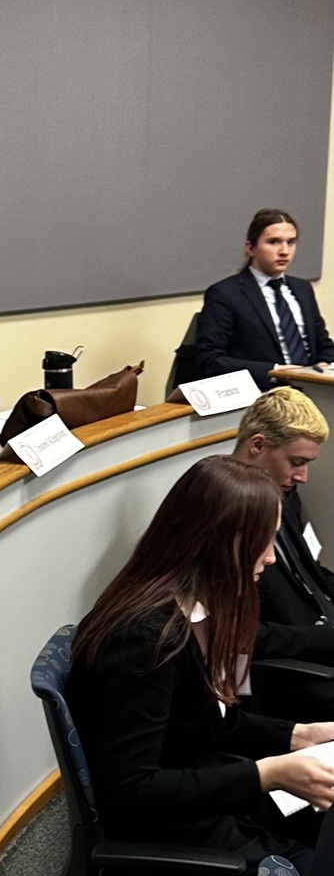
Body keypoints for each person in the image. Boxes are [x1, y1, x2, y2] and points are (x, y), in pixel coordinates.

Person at [68, 455, 334, 876]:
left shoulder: (209, 612)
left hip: (220, 818)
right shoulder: (145, 639)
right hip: (187, 863)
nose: (271, 559)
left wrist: (302, 735)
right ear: (219, 542)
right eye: (262, 544)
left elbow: (222, 722)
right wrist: (269, 773)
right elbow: (133, 791)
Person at [232, 387, 334, 720]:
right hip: (293, 675)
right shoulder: (219, 511)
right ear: (258, 445)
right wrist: (324, 639)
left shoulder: (280, 493)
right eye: (296, 462)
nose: (302, 476)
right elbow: (238, 633)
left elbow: (310, 575)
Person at [195, 209, 334, 390]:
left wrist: (323, 365)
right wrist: (275, 371)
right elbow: (210, 360)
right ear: (250, 248)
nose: (284, 251)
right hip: (266, 392)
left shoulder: (303, 289)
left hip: (314, 388)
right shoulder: (225, 294)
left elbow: (323, 343)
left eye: (291, 242)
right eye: (273, 242)